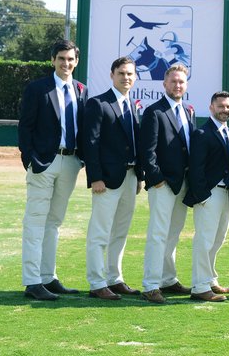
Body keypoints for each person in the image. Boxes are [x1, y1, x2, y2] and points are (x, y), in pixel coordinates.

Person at [18, 39, 88, 300]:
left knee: (54, 222)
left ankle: (48, 277)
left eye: (70, 59)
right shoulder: (37, 89)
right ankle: (32, 281)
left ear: (76, 61)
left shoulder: (81, 90)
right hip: (43, 163)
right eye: (61, 58)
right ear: (52, 60)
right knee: (35, 221)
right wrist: (30, 159)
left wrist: (81, 160)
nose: (66, 63)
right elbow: (25, 127)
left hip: (70, 162)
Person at [82, 56, 142, 300]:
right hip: (105, 180)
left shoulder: (134, 106)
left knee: (120, 231)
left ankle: (114, 278)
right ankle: (97, 283)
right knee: (100, 232)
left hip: (129, 178)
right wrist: (95, 177)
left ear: (135, 77)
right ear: (112, 75)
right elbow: (91, 143)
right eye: (121, 73)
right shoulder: (99, 104)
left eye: (129, 74)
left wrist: (139, 177)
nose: (126, 77)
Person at [137, 63, 195, 303]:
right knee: (158, 234)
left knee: (173, 234)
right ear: (164, 84)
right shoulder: (154, 112)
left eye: (181, 81)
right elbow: (146, 151)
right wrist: (156, 179)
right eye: (173, 81)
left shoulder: (188, 111)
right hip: (163, 184)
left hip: (183, 183)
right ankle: (151, 285)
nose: (177, 85)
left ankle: (168, 279)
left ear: (186, 84)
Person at [184, 90, 229, 302]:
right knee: (204, 241)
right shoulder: (202, 133)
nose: (225, 110)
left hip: (226, 194)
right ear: (211, 108)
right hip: (210, 195)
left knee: (218, 240)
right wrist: (203, 196)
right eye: (221, 106)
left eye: (228, 107)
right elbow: (195, 168)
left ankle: (210, 279)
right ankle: (199, 287)